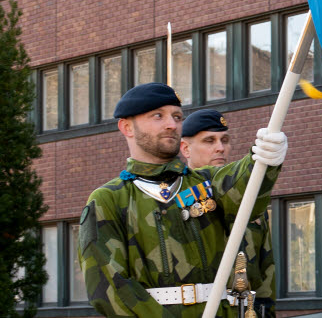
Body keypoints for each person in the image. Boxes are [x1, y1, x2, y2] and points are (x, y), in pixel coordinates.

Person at [77, 83, 288, 317]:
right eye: (158, 116)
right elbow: (109, 289)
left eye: (177, 117)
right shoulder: (109, 199)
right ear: (126, 127)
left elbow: (243, 187)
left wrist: (262, 158)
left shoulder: (207, 182)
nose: (172, 124)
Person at [180, 109, 276, 317]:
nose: (220, 148)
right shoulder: (177, 201)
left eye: (224, 140)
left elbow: (265, 272)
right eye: (209, 141)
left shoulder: (248, 198)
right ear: (185, 149)